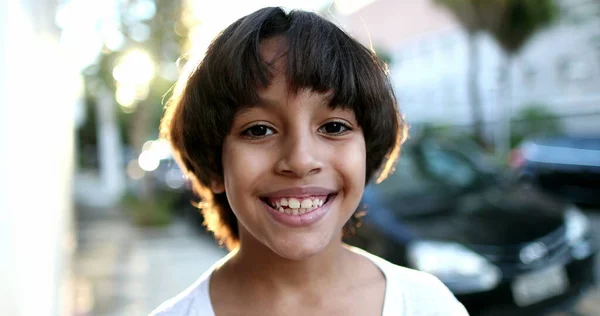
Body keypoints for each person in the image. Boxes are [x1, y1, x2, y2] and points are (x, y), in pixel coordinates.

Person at [151, 7, 468, 316]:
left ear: (366, 153)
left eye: (333, 127)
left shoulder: (429, 305)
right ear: (213, 165)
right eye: (259, 130)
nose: (301, 161)